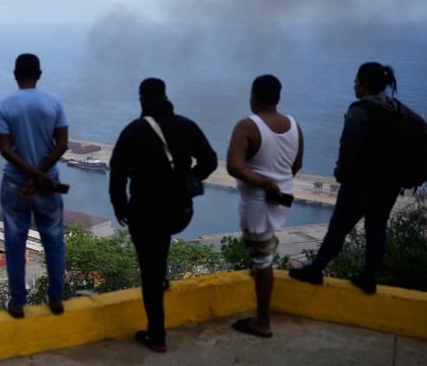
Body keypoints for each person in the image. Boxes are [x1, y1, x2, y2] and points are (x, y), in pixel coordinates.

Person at [109, 78, 217, 352]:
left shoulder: (134, 131)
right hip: (179, 210)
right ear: (165, 96)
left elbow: (117, 175)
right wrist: (188, 179)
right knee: (161, 242)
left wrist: (120, 208)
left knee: (149, 271)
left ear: (142, 98)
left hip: (144, 211)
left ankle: (156, 335)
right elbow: (210, 161)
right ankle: (161, 277)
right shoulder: (187, 126)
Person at [290, 62, 401, 294]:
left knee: (338, 228)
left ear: (364, 84)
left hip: (361, 182)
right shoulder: (396, 109)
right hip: (389, 184)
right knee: (377, 229)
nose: (354, 86)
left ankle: (316, 269)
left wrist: (341, 173)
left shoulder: (360, 109)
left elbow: (348, 146)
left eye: (356, 82)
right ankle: (369, 276)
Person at [226, 75, 304, 338]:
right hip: (283, 199)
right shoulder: (294, 125)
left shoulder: (247, 126)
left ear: (253, 97)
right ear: (278, 98)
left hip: (258, 204)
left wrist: (265, 182)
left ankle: (262, 322)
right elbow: (296, 165)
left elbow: (234, 167)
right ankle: (261, 285)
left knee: (262, 260)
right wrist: (278, 181)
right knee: (262, 250)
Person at [0, 53, 69, 318]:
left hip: (14, 184)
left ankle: (17, 303)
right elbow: (62, 145)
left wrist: (29, 178)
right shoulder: (55, 102)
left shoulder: (4, 105)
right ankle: (56, 299)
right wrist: (39, 176)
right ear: (39, 75)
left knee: (15, 245)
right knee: (54, 242)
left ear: (15, 75)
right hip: (48, 182)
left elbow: (5, 149)